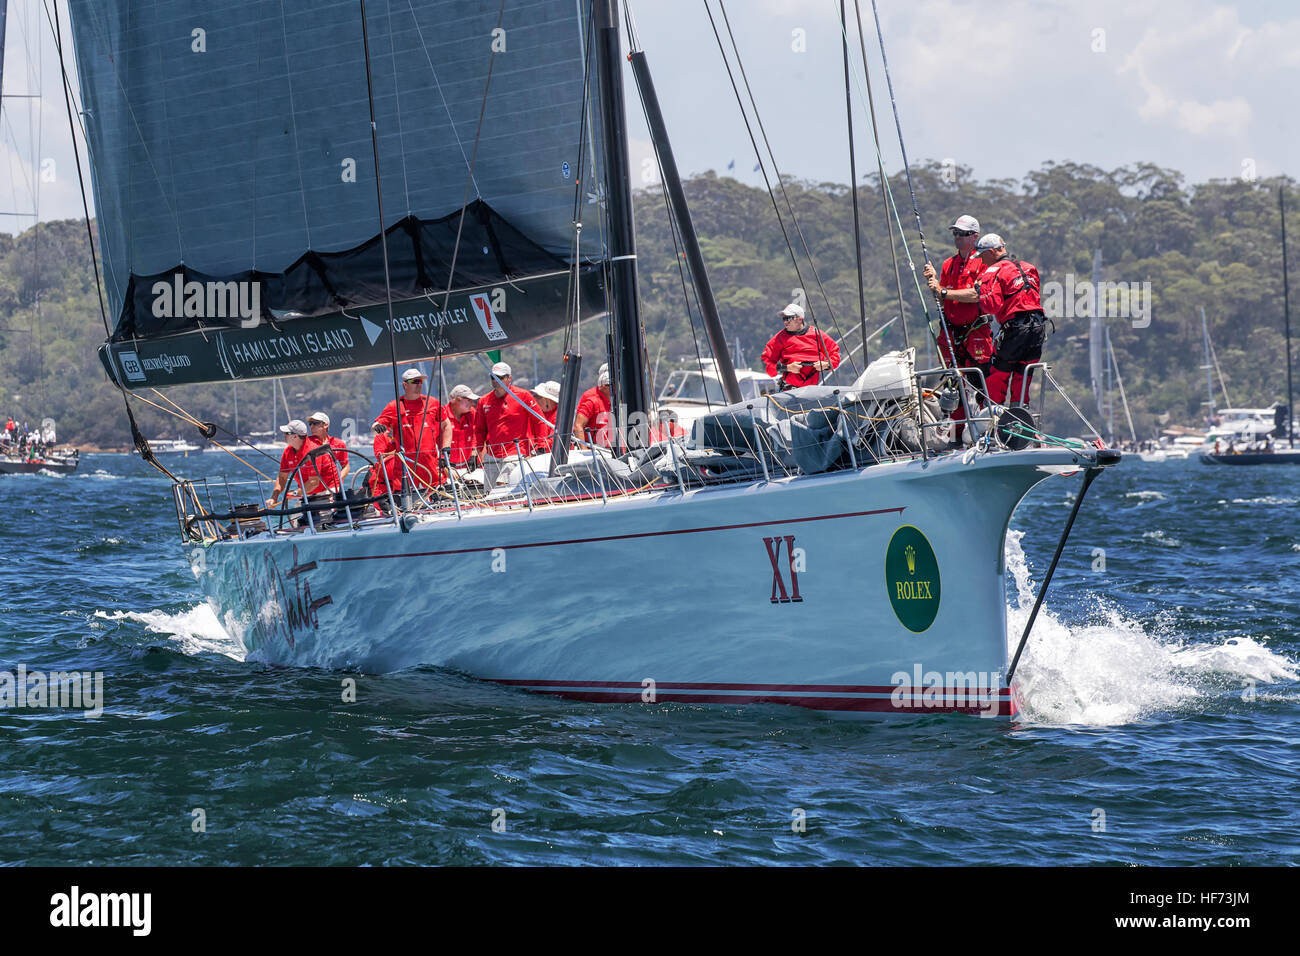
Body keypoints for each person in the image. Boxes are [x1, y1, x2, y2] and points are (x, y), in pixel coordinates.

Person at [922, 215, 995, 444]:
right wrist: (935, 283)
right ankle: (956, 438)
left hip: (976, 334)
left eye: (962, 234)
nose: (957, 238)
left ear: (974, 237)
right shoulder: (948, 264)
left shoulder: (983, 262)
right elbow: (942, 298)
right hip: (952, 334)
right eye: (955, 233)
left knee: (982, 385)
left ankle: (990, 434)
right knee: (954, 388)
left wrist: (943, 291)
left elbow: (976, 295)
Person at [973, 234, 1048, 406]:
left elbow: (990, 305)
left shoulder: (994, 270)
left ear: (992, 252)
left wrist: (980, 289)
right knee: (1023, 373)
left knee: (997, 374)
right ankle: (1020, 418)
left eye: (983, 256)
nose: (982, 262)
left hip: (1015, 330)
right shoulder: (1029, 267)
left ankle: (992, 417)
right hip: (1038, 328)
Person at [374, 367, 453, 492]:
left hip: (430, 464)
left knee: (440, 499)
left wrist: (446, 450)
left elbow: (447, 425)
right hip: (406, 466)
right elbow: (377, 424)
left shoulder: (432, 403)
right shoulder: (394, 406)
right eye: (414, 382)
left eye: (420, 381)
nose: (419, 384)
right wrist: (377, 426)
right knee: (405, 504)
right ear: (405, 385)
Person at [473, 362, 543, 488]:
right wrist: (479, 453)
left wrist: (541, 445)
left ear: (509, 378)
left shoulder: (523, 396)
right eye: (493, 378)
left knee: (502, 484)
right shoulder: (484, 401)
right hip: (492, 455)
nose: (496, 381)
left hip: (515, 452)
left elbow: (539, 420)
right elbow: (479, 430)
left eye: (500, 378)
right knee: (489, 493)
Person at [265, 420, 342, 526]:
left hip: (328, 490)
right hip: (308, 492)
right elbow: (282, 477)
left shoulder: (313, 450)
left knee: (322, 521)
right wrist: (274, 497)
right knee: (295, 522)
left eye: (286, 433)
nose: (284, 435)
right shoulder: (288, 452)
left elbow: (314, 482)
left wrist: (296, 493)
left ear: (295, 436)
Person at [760, 303, 841, 390]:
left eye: (788, 318)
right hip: (788, 391)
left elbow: (835, 353)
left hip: (812, 391)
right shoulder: (779, 338)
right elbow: (765, 363)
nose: (785, 322)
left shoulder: (817, 334)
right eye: (784, 319)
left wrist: (826, 365)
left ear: (800, 319)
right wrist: (787, 368)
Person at [366, 421, 403, 515]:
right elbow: (380, 456)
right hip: (381, 482)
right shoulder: (382, 437)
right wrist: (397, 450)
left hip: (400, 482)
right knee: (386, 511)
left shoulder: (407, 436)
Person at [307, 411, 349, 484]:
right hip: (311, 487)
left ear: (326, 425)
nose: (311, 426)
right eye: (310, 424)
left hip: (333, 488)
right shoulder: (306, 443)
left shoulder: (338, 443)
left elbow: (346, 466)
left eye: (315, 423)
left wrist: (337, 480)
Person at [573, 368, 612, 448]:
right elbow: (578, 425)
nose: (616, 388)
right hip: (595, 449)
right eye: (612, 385)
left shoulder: (613, 401)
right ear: (604, 387)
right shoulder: (592, 401)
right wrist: (584, 450)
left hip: (610, 449)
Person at [446, 384, 480, 468]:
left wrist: (474, 451)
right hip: (448, 469)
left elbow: (478, 433)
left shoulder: (473, 413)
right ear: (458, 399)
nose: (472, 403)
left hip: (470, 467)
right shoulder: (442, 415)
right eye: (469, 400)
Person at [530, 381, 561, 453]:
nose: (534, 399)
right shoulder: (538, 414)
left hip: (552, 457)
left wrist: (534, 452)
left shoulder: (560, 416)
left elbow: (554, 440)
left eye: (537, 396)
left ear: (548, 400)